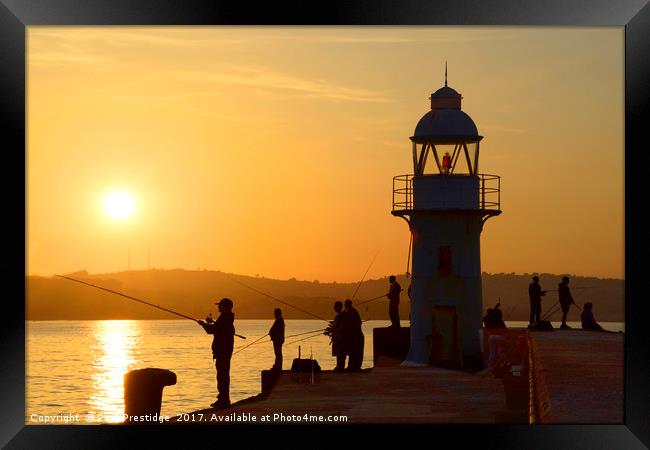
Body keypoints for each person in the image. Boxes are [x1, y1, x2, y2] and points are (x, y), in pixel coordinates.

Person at [198, 298, 235, 408]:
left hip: (223, 351)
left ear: (226, 307)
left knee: (222, 376)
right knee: (223, 375)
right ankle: (223, 399)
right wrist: (211, 323)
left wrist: (203, 324)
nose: (218, 307)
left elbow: (212, 330)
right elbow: (218, 328)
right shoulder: (227, 318)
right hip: (224, 351)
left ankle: (223, 400)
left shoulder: (224, 318)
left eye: (220, 305)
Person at [342, 299, 364, 372]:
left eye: (346, 305)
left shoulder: (352, 312)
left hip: (356, 336)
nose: (345, 306)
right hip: (354, 336)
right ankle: (351, 366)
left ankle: (354, 367)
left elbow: (352, 324)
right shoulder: (348, 311)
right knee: (352, 352)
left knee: (355, 352)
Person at [324, 301, 345, 372]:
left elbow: (340, 327)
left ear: (339, 307)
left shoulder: (341, 316)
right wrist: (330, 330)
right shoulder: (337, 316)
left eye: (335, 306)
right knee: (338, 353)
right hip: (337, 337)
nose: (334, 307)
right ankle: (339, 366)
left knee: (340, 353)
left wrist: (332, 329)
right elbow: (335, 326)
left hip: (340, 338)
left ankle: (340, 367)